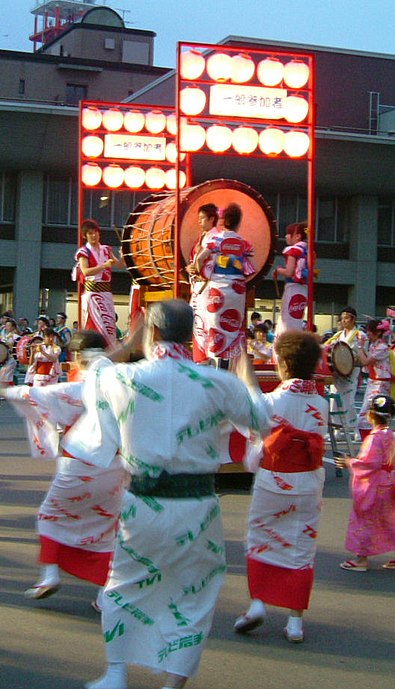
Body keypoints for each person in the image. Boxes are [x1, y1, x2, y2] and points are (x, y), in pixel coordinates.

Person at [62, 299, 270, 689]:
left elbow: (94, 372)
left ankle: (116, 673)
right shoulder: (218, 382)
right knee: (196, 592)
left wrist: (126, 344)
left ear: (152, 333)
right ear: (192, 335)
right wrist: (248, 376)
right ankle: (173, 682)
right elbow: (261, 420)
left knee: (123, 585)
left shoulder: (119, 378)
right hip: (199, 506)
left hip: (142, 503)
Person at [1, 330, 127, 608]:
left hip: (79, 463)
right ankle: (105, 594)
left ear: (79, 357)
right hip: (116, 466)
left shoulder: (78, 387)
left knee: (51, 516)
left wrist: (4, 389)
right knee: (107, 530)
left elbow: (28, 393)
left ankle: (49, 575)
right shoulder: (123, 382)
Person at [234, 331, 327, 644]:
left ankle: (257, 603)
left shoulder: (274, 401)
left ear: (283, 365)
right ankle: (295, 622)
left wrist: (245, 372)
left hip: (275, 478)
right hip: (309, 481)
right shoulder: (321, 404)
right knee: (302, 547)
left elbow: (253, 414)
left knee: (260, 537)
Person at [337, 394, 395, 572]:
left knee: (364, 519)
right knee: (387, 520)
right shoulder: (389, 434)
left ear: (371, 415)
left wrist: (349, 462)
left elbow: (369, 463)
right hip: (388, 482)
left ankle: (361, 558)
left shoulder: (374, 438)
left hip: (374, 484)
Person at [188, 202, 255, 367]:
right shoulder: (244, 243)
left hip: (218, 286)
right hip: (237, 289)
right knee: (233, 326)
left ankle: (214, 364)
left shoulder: (216, 239)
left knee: (214, 326)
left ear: (223, 220)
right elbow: (251, 269)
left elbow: (200, 259)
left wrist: (201, 273)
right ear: (238, 222)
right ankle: (230, 365)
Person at [75, 219, 125, 345]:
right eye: (90, 233)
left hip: (106, 293)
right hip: (93, 294)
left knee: (109, 326)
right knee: (95, 325)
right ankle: (92, 348)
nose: (94, 235)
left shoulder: (106, 250)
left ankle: (109, 350)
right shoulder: (83, 252)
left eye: (95, 232)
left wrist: (124, 255)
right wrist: (104, 266)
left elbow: (119, 265)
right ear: (85, 236)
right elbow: (85, 271)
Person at [324, 306, 368, 432]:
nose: (344, 321)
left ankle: (354, 428)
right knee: (334, 402)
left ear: (353, 319)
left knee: (348, 401)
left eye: (347, 318)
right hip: (337, 371)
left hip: (351, 371)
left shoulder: (360, 335)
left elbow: (363, 355)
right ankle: (337, 429)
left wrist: (350, 361)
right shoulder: (338, 335)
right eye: (342, 318)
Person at [186, 203, 220, 362]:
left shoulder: (215, 237)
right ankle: (200, 359)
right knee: (198, 324)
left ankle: (205, 359)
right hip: (198, 284)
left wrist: (197, 270)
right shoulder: (204, 236)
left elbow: (203, 260)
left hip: (206, 284)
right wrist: (191, 268)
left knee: (204, 324)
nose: (199, 221)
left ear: (212, 219)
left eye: (202, 218)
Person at [356, 319, 392, 439]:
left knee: (369, 414)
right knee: (373, 414)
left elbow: (366, 361)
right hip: (374, 381)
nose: (368, 334)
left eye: (370, 331)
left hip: (380, 384)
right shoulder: (374, 345)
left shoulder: (382, 347)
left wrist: (360, 348)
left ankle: (371, 440)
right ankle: (373, 439)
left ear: (377, 333)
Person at [273, 222, 309, 337]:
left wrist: (278, 270)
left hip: (292, 287)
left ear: (297, 236)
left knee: (286, 323)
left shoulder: (293, 250)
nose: (286, 236)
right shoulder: (308, 251)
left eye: (288, 234)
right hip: (303, 289)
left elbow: (289, 272)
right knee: (296, 320)